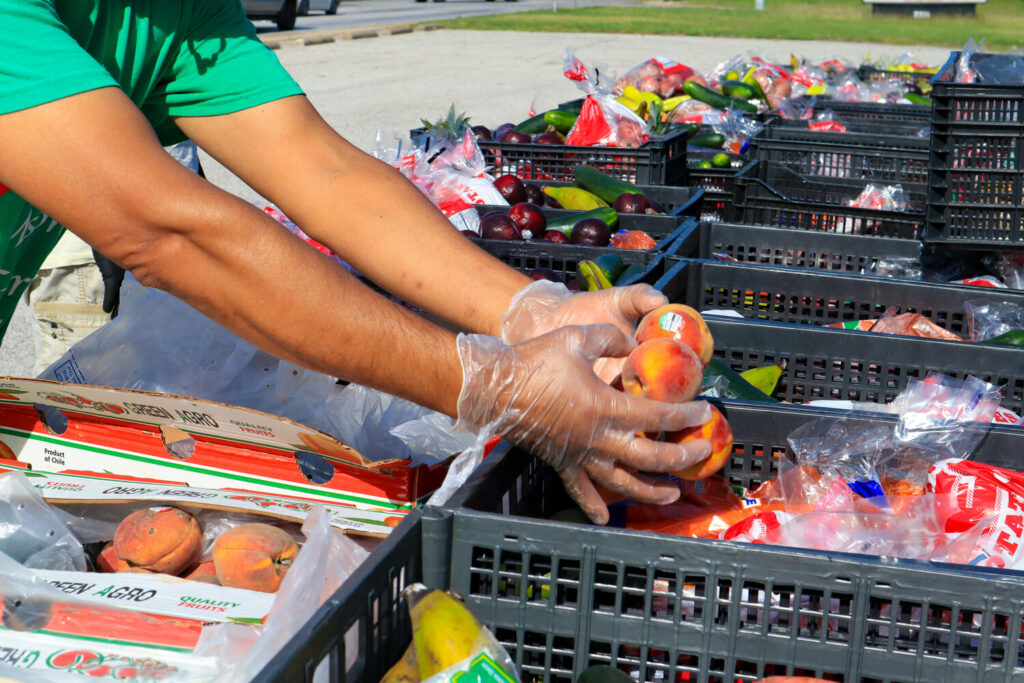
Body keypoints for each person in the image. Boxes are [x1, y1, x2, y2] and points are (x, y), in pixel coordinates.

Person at [0, 0, 711, 525]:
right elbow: (167, 235)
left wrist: (528, 308)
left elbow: (321, 168)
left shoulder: (167, 13)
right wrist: (493, 383)